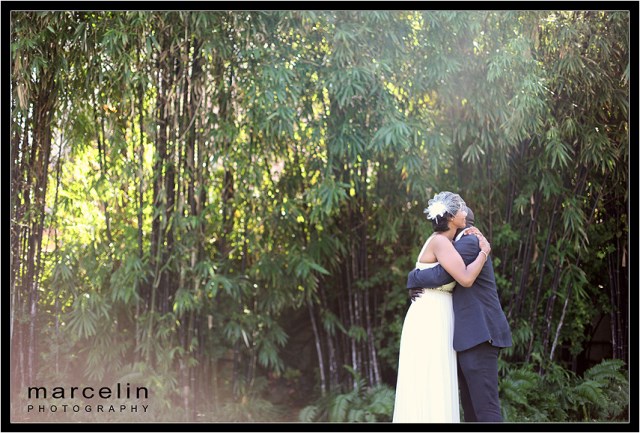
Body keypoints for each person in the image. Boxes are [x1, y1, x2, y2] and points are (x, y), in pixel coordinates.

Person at [407, 207, 512, 422]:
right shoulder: (460, 243)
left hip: (480, 334)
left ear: (460, 221)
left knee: (486, 409)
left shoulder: (470, 242)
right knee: (472, 410)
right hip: (470, 337)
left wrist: (413, 276)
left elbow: (441, 274)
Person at [392, 192, 491, 423]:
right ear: (450, 217)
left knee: (437, 379)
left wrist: (414, 278)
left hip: (439, 311)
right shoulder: (440, 242)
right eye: (461, 210)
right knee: (430, 379)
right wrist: (484, 251)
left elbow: (435, 274)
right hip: (431, 315)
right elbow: (465, 278)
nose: (465, 212)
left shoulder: (450, 242)